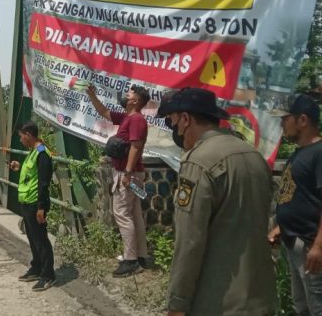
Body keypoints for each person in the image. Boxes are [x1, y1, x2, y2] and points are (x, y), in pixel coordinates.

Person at [159, 87, 275, 316]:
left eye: (173, 122)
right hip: (261, 297)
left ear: (185, 119)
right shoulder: (253, 155)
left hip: (219, 301)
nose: (176, 131)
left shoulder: (199, 161)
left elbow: (190, 241)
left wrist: (177, 304)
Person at [87, 84, 150, 277]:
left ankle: (130, 261)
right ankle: (141, 257)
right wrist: (92, 95)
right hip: (129, 173)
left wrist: (128, 173)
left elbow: (136, 146)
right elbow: (104, 112)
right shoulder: (126, 117)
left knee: (122, 214)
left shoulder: (136, 119)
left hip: (127, 174)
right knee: (134, 215)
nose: (125, 95)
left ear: (135, 101)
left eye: (129, 93)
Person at [268, 94, 322, 315]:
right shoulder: (300, 154)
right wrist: (280, 227)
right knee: (302, 306)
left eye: (285, 119)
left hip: (311, 245)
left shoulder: (319, 153)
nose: (282, 124)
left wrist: (319, 246)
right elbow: (300, 196)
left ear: (303, 120)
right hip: (295, 243)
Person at [10, 121, 56, 291]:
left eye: (21, 136)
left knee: (41, 240)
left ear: (28, 134)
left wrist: (41, 208)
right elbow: (32, 175)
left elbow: (44, 183)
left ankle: (48, 275)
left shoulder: (43, 154)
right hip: (27, 202)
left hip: (36, 204)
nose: (20, 140)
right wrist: (18, 167)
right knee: (32, 238)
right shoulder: (33, 152)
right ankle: (36, 267)